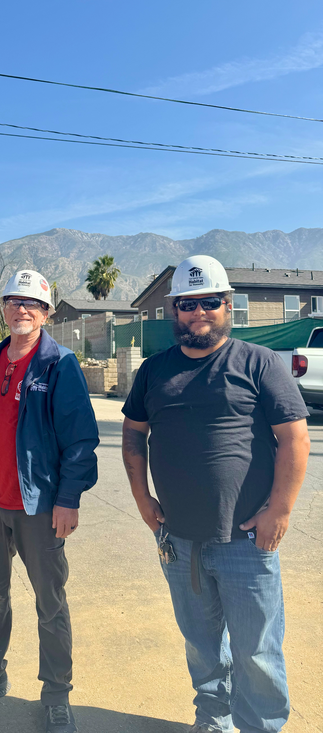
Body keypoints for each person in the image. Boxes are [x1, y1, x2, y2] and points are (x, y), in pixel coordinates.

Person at [122, 255, 310, 733]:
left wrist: (279, 510)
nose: (198, 312)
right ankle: (214, 720)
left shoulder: (259, 363)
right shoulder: (153, 371)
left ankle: (262, 727)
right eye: (188, 303)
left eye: (209, 302)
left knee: (258, 653)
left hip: (247, 541)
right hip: (179, 540)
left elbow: (294, 438)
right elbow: (132, 435)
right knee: (202, 647)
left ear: (228, 304)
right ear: (174, 310)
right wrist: (144, 502)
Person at [0, 270, 99, 733]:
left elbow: (81, 439)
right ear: (4, 309)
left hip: (41, 506)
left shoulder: (59, 365)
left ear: (46, 312)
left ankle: (56, 694)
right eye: (13, 301)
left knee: (50, 602)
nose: (21, 309)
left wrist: (69, 498)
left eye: (31, 303)